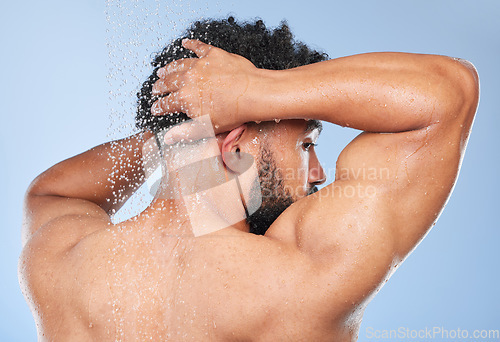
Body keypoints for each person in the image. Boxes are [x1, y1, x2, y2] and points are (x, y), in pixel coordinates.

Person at [19, 17, 478, 341]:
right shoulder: (300, 277)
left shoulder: (64, 266)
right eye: (306, 144)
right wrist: (251, 92)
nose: (316, 173)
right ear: (235, 147)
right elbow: (448, 94)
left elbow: (54, 189)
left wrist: (181, 132)